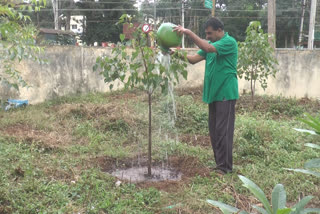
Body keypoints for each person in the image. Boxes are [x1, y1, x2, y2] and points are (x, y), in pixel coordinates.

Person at [173, 17, 239, 174]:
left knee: (224, 131)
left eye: (210, 33)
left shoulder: (229, 42)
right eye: (206, 34)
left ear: (219, 31)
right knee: (215, 131)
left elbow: (208, 48)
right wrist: (174, 53)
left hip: (226, 93)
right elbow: (193, 60)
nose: (207, 36)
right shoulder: (212, 45)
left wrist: (188, 33)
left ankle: (225, 168)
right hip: (214, 94)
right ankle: (219, 165)